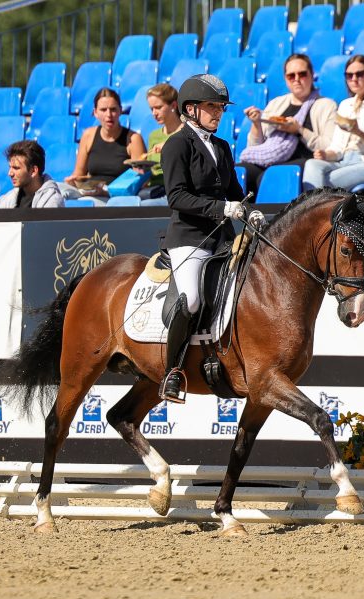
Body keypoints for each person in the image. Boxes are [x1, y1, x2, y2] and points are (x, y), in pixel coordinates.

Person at [158, 75, 260, 403]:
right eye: (212, 106)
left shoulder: (222, 147)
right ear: (191, 109)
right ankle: (172, 373)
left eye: (220, 107)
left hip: (224, 239)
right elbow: (177, 197)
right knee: (190, 300)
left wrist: (247, 210)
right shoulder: (177, 144)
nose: (218, 113)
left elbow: (234, 194)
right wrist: (222, 208)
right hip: (191, 239)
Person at [240, 53, 337, 196]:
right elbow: (255, 148)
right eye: (291, 76)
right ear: (286, 79)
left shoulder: (326, 105)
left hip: (306, 160)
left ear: (311, 75)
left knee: (270, 176)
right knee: (240, 171)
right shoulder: (276, 104)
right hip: (270, 159)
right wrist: (256, 124)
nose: (297, 80)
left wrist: (299, 131)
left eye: (302, 74)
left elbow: (329, 146)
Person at [302, 55, 364, 191]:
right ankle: (315, 210)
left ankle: (313, 211)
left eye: (359, 74)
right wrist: (326, 154)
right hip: (344, 162)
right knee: (312, 165)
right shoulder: (346, 105)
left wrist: (359, 132)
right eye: (349, 76)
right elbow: (338, 149)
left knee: (323, 182)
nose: (354, 79)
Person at [59, 88, 146, 205]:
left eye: (113, 110)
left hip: (113, 196)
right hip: (90, 189)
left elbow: (138, 181)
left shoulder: (133, 139)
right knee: (56, 189)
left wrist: (105, 191)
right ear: (95, 112)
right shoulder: (88, 135)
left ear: (120, 111)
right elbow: (78, 174)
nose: (109, 115)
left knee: (84, 203)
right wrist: (73, 181)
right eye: (103, 110)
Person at [137, 83, 183, 203]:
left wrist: (170, 147)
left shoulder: (187, 133)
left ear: (173, 105)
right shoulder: (154, 135)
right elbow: (152, 168)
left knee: (141, 206)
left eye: (158, 107)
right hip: (153, 190)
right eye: (152, 109)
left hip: (176, 191)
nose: (154, 113)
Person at [0, 140, 63, 209]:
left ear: (33, 171)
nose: (10, 173)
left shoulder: (51, 202)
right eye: (10, 167)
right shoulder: (8, 199)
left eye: (16, 168)